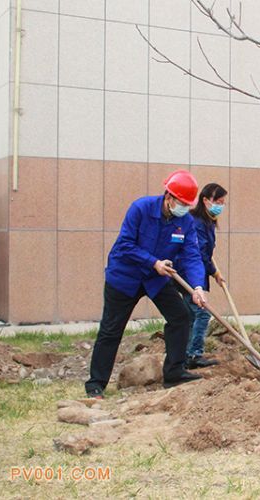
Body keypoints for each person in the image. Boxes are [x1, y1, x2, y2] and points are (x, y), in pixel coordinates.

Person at [85, 170, 208, 398]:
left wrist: (198, 287)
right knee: (112, 329)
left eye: (186, 204)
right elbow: (125, 245)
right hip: (125, 276)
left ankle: (174, 372)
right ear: (169, 197)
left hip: (155, 279)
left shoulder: (185, 222)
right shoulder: (140, 209)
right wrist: (153, 262)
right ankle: (96, 384)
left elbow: (192, 255)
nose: (184, 208)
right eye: (181, 203)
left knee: (180, 316)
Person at [175, 183, 228, 369]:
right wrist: (213, 271)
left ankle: (185, 354)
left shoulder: (208, 221)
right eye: (218, 202)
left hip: (197, 272)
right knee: (202, 313)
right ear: (205, 200)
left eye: (223, 202)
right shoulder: (196, 223)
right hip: (189, 275)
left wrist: (215, 272)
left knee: (190, 316)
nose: (220, 206)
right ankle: (194, 354)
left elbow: (207, 252)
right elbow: (198, 254)